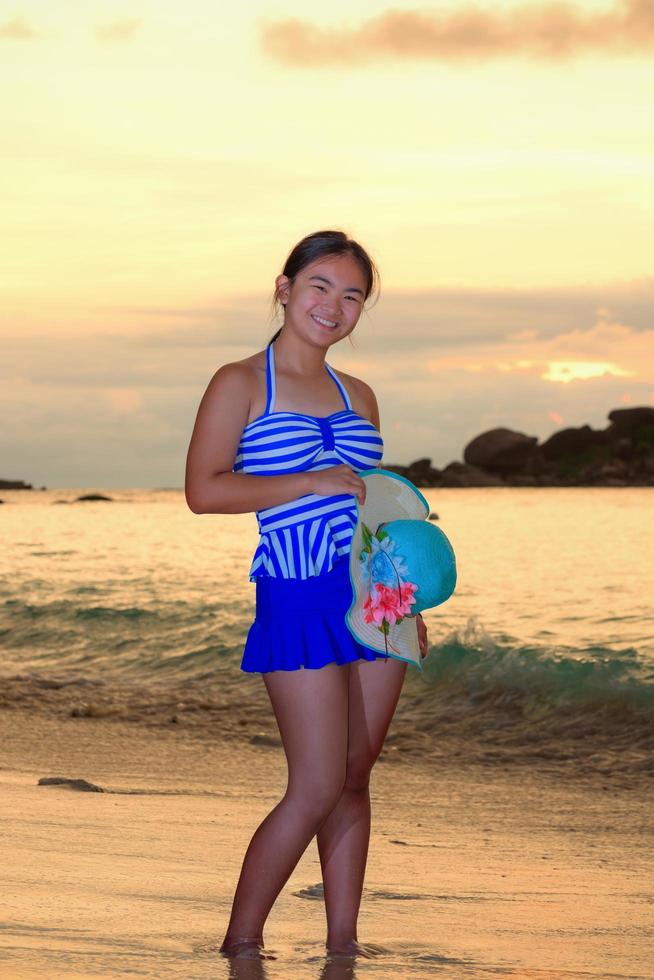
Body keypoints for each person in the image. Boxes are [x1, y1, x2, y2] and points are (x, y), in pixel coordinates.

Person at [185, 229, 428, 959]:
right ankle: (241, 944)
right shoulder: (239, 383)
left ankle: (344, 945)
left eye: (353, 294)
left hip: (375, 597)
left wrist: (405, 597)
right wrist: (308, 480)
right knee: (316, 782)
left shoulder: (361, 394)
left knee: (355, 777)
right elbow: (203, 490)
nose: (335, 304)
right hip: (295, 593)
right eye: (321, 285)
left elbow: (374, 506)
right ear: (285, 289)